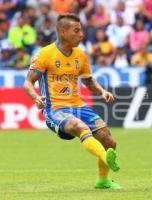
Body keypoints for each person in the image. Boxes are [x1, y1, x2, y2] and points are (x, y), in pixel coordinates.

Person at [23, 13, 121, 189]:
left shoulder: (80, 55)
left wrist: (102, 91)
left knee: (109, 141)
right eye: (77, 31)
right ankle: (106, 157)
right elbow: (28, 82)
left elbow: (88, 80)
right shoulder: (45, 54)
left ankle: (103, 180)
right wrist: (36, 97)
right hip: (55, 109)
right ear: (62, 31)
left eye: (81, 30)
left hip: (78, 105)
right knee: (80, 127)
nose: (81, 34)